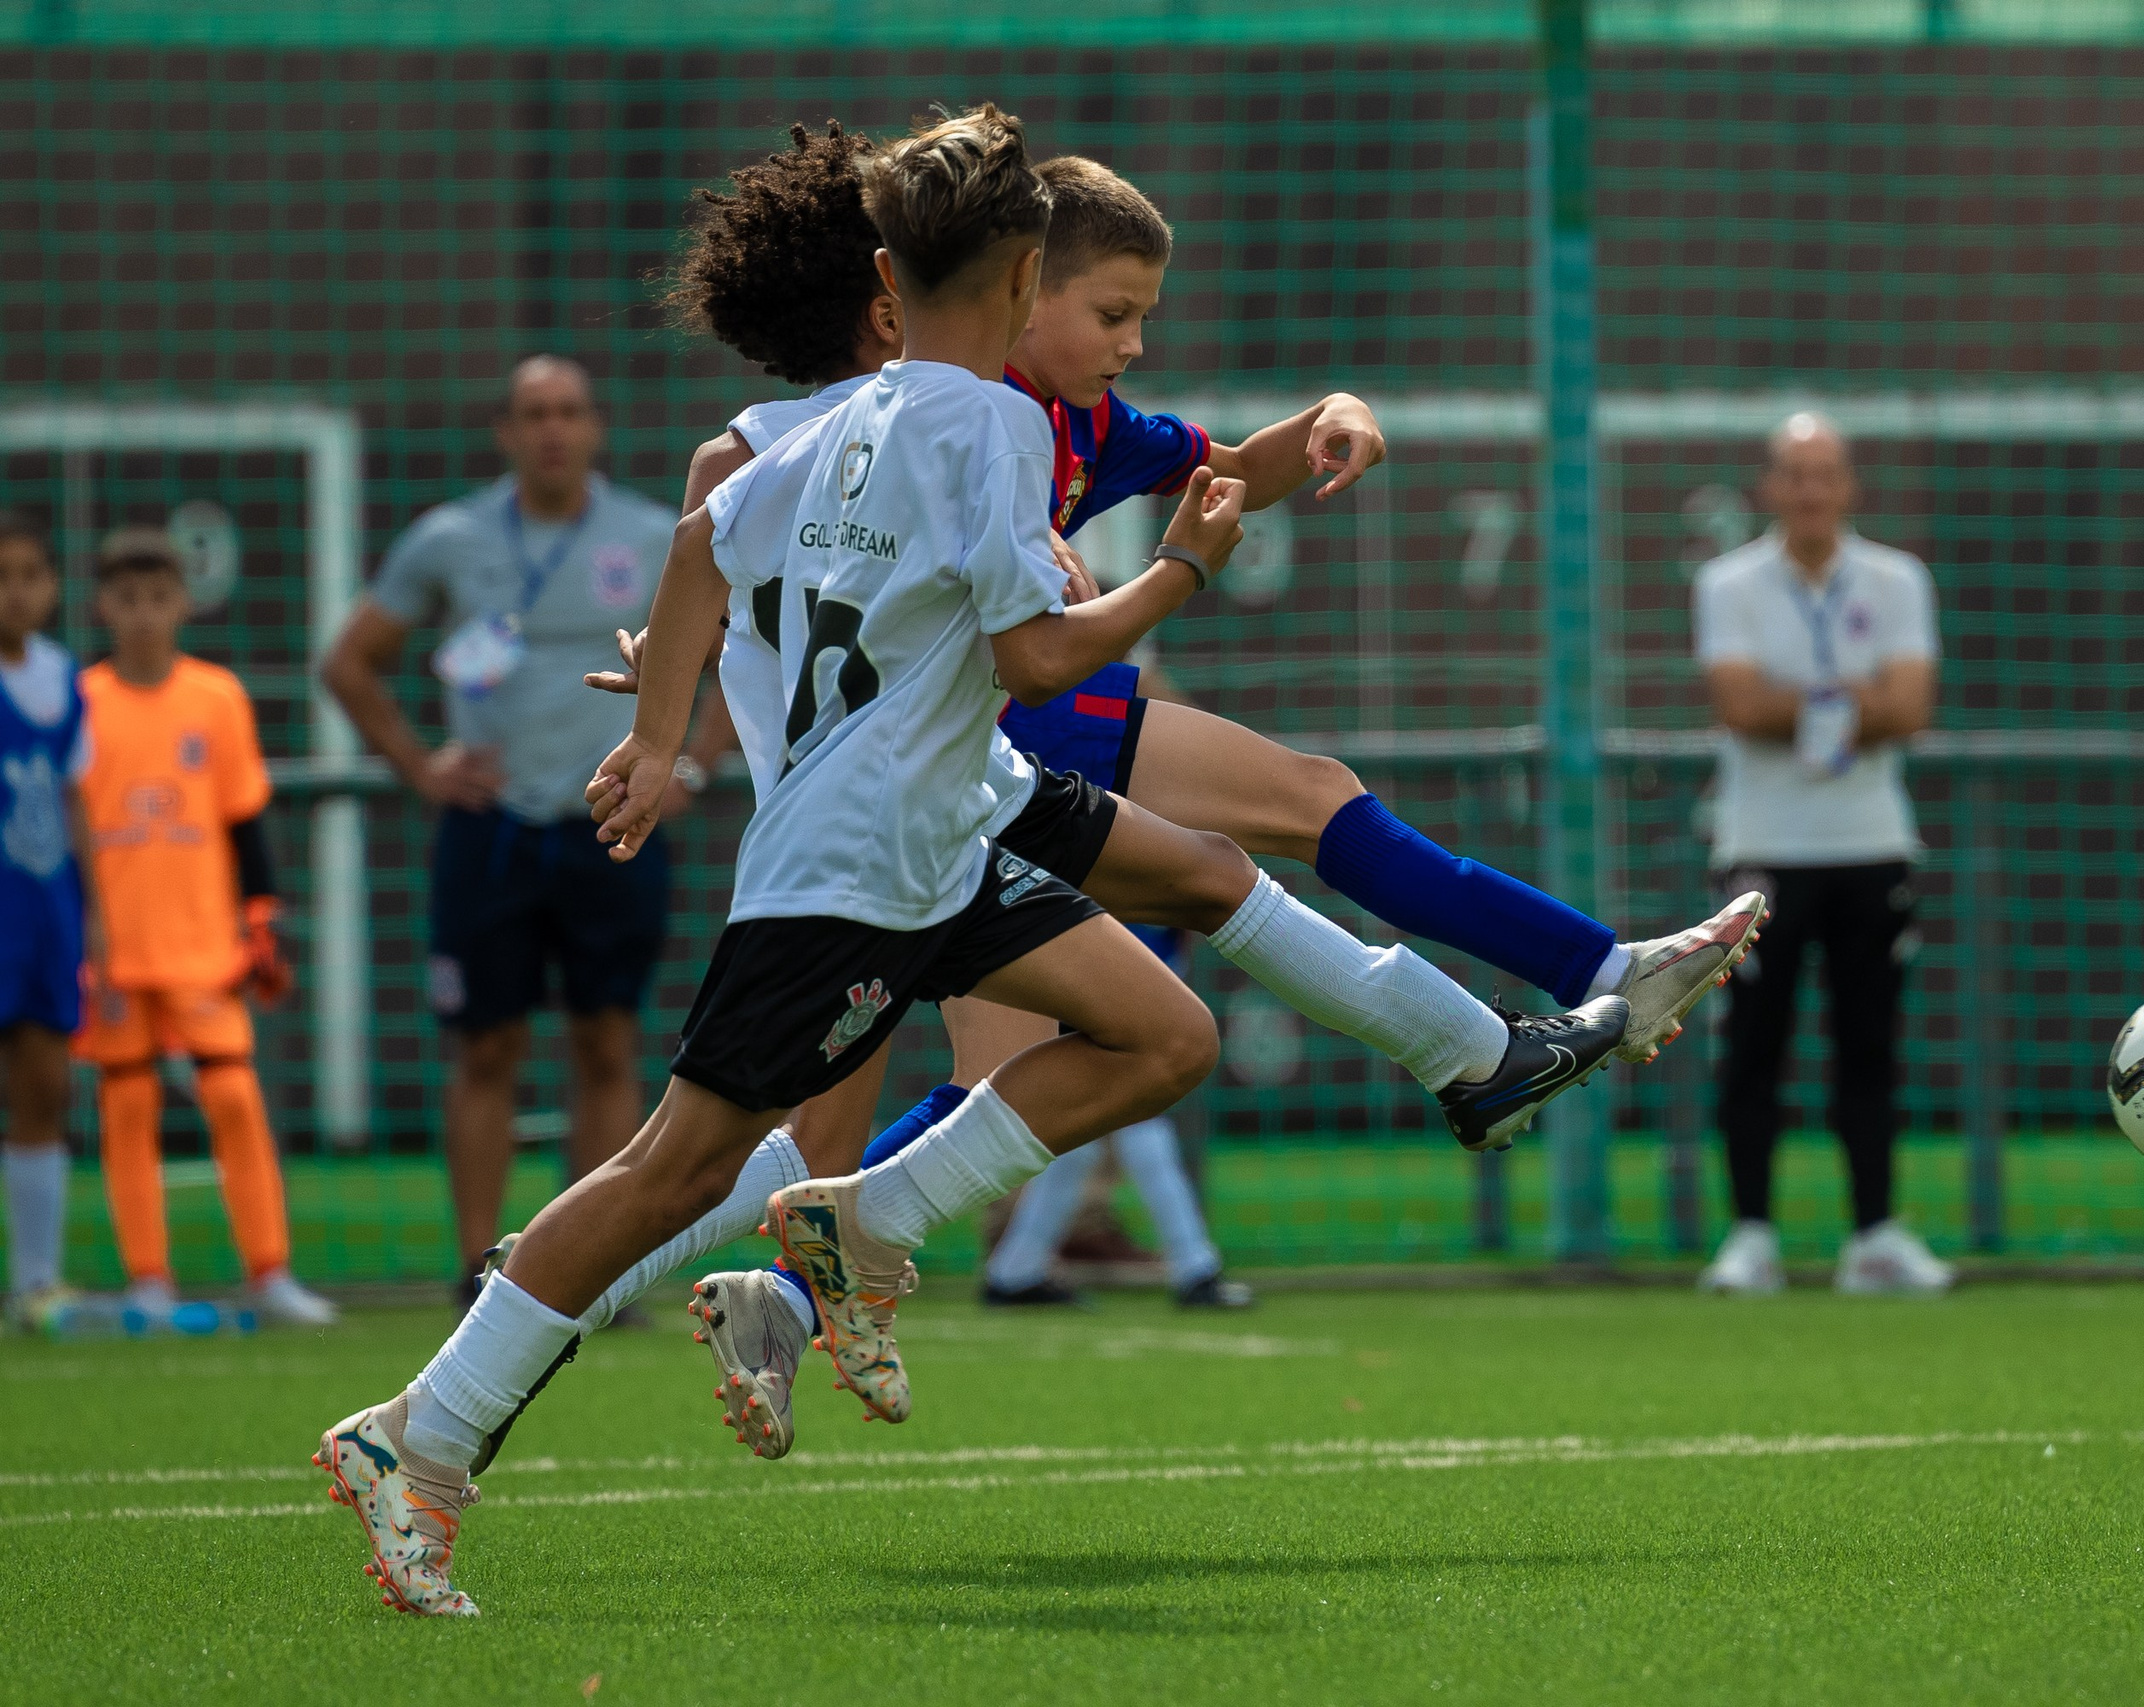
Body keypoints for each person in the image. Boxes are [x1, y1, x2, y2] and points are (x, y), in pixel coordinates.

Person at [318, 107, 1624, 1614]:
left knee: (1167, 1021)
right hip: (861, 855)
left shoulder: (839, 419)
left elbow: (696, 547)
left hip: (955, 809)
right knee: (674, 1166)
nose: (1123, 338)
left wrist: (661, 740)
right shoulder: (991, 427)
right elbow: (1035, 656)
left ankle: (878, 1214)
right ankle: (422, 1431)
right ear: (1019, 281)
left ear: (891, 277)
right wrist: (1180, 571)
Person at [320, 355, 704, 1312]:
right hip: (490, 830)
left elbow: (740, 649)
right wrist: (421, 766)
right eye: (534, 414)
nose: (552, 430)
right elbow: (350, 662)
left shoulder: (652, 535)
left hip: (609, 820)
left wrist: (689, 762)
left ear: (596, 427)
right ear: (505, 432)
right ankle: (476, 1268)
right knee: (485, 1047)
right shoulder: (450, 538)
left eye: (569, 411)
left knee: (606, 1041)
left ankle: (595, 1269)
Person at [1693, 414, 1953, 1297]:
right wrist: (1853, 696)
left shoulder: (1897, 579)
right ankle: (1751, 1236)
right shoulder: (1728, 582)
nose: (1810, 490)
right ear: (1771, 487)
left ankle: (1874, 1235)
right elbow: (1738, 703)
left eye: (1825, 473)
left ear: (1849, 486)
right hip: (1762, 847)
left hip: (1870, 843)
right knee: (1753, 1047)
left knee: (1869, 1044)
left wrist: (1803, 700)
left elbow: (1912, 705)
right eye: (1795, 474)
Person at [74, 527, 337, 1327]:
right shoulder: (82, 701)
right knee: (128, 1107)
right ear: (104, 607)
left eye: (159, 597)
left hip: (202, 943)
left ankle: (270, 1271)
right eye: (128, 599)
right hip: (114, 948)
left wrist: (261, 917)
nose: (144, 614)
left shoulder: (216, 697)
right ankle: (148, 1280)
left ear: (182, 603)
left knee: (232, 1096)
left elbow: (243, 820)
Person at [978, 927, 1250, 1309]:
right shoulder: (1142, 918)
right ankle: (1196, 1270)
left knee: (1081, 1149)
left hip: (1096, 1008)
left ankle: (1014, 1272)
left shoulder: (1167, 930)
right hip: (1095, 1011)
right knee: (1144, 1132)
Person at [0, 513, 93, 1333]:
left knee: (44, 1086)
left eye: (29, 574)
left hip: (44, 908)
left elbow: (75, 802)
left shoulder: (66, 679)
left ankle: (35, 1280)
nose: (16, 592)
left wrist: (93, 911)